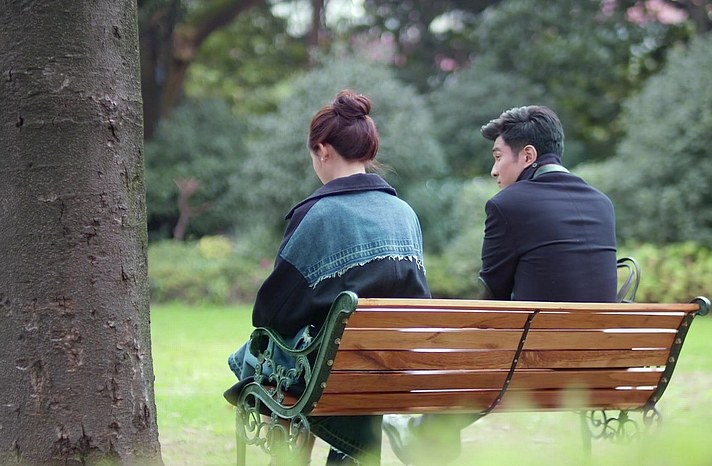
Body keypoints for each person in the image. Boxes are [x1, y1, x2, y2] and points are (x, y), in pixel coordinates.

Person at [382, 105, 617, 465]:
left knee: (476, 337)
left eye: (498, 156)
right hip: (597, 363)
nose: (493, 170)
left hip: (532, 365)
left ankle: (427, 431)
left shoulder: (508, 204)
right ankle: (427, 431)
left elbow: (492, 296)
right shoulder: (602, 203)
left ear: (528, 155)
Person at [225, 90, 431, 465]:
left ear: (322, 150)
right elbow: (419, 301)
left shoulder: (318, 214)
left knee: (258, 354)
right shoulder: (405, 213)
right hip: (386, 368)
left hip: (325, 373)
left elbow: (271, 314)